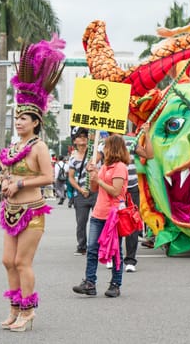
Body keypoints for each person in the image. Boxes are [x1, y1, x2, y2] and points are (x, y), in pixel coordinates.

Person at [0, 36, 65, 332]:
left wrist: (21, 182)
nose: (19, 122)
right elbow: (9, 173)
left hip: (32, 211)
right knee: (7, 261)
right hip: (10, 210)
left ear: (36, 121)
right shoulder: (13, 147)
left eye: (24, 118)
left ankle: (28, 312)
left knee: (23, 262)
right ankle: (13, 309)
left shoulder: (39, 146)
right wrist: (6, 182)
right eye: (17, 117)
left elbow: (49, 177)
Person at [72, 135, 130, 298]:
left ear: (113, 148)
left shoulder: (120, 167)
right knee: (92, 250)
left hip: (113, 215)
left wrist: (98, 178)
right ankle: (90, 282)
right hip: (98, 213)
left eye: (105, 147)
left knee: (115, 251)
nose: (102, 150)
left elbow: (115, 191)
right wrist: (93, 174)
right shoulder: (105, 166)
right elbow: (95, 188)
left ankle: (115, 284)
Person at [123, 123, 153, 272]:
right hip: (113, 190)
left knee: (133, 223)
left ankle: (130, 260)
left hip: (132, 188)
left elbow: (149, 155)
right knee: (113, 223)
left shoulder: (130, 141)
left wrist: (146, 134)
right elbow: (97, 160)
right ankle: (112, 256)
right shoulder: (103, 144)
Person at [68, 127, 97, 256]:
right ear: (74, 141)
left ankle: (97, 245)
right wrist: (80, 189)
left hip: (96, 192)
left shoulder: (94, 154)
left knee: (98, 220)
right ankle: (82, 246)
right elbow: (71, 177)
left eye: (85, 136)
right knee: (81, 222)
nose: (83, 138)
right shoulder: (73, 158)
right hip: (81, 194)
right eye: (79, 137)